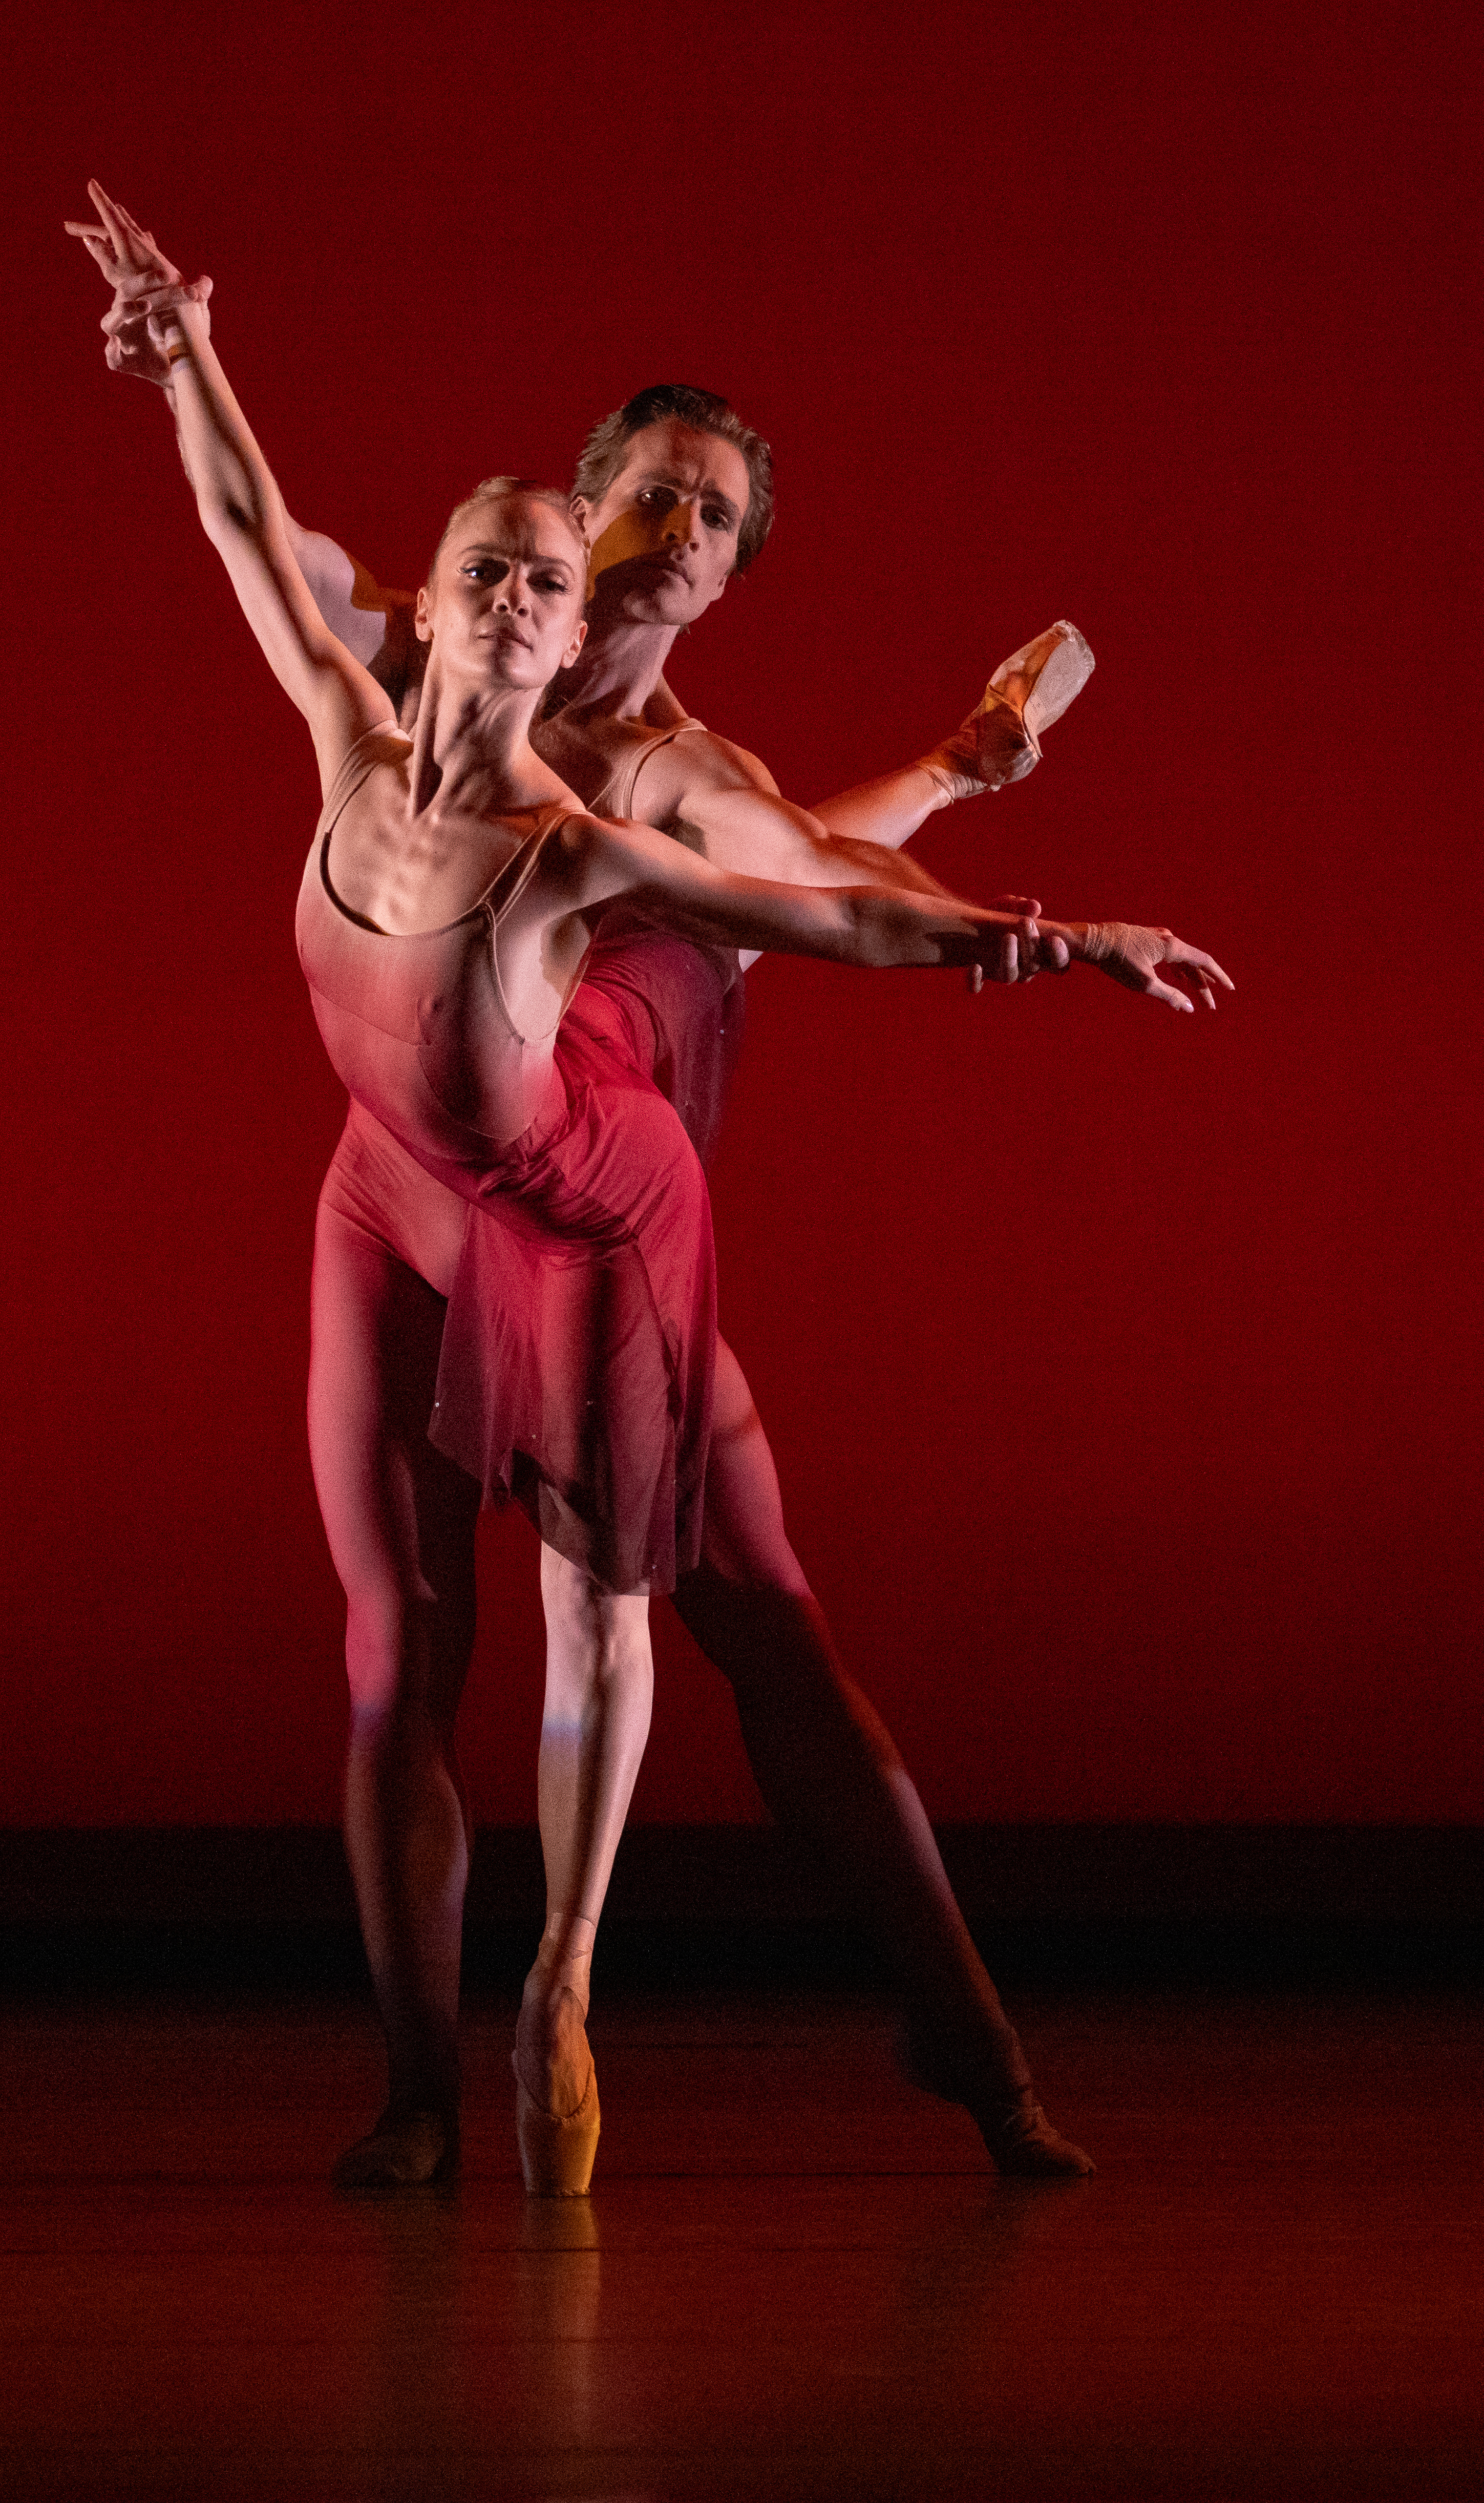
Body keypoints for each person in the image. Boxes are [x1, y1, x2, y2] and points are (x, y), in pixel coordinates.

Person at [70, 188, 1229, 2191]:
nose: (674, 536)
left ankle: (945, 2052)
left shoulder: (660, 785)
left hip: (597, 1202)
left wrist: (1005, 868)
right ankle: (421, 2093)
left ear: (725, 577)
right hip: (411, 1185)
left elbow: (800, 891)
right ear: (568, 510)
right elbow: (262, 545)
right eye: (650, 498)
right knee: (396, 1645)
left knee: (749, 1619)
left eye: (717, 520)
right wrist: (184, 362)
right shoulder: (420, 653)